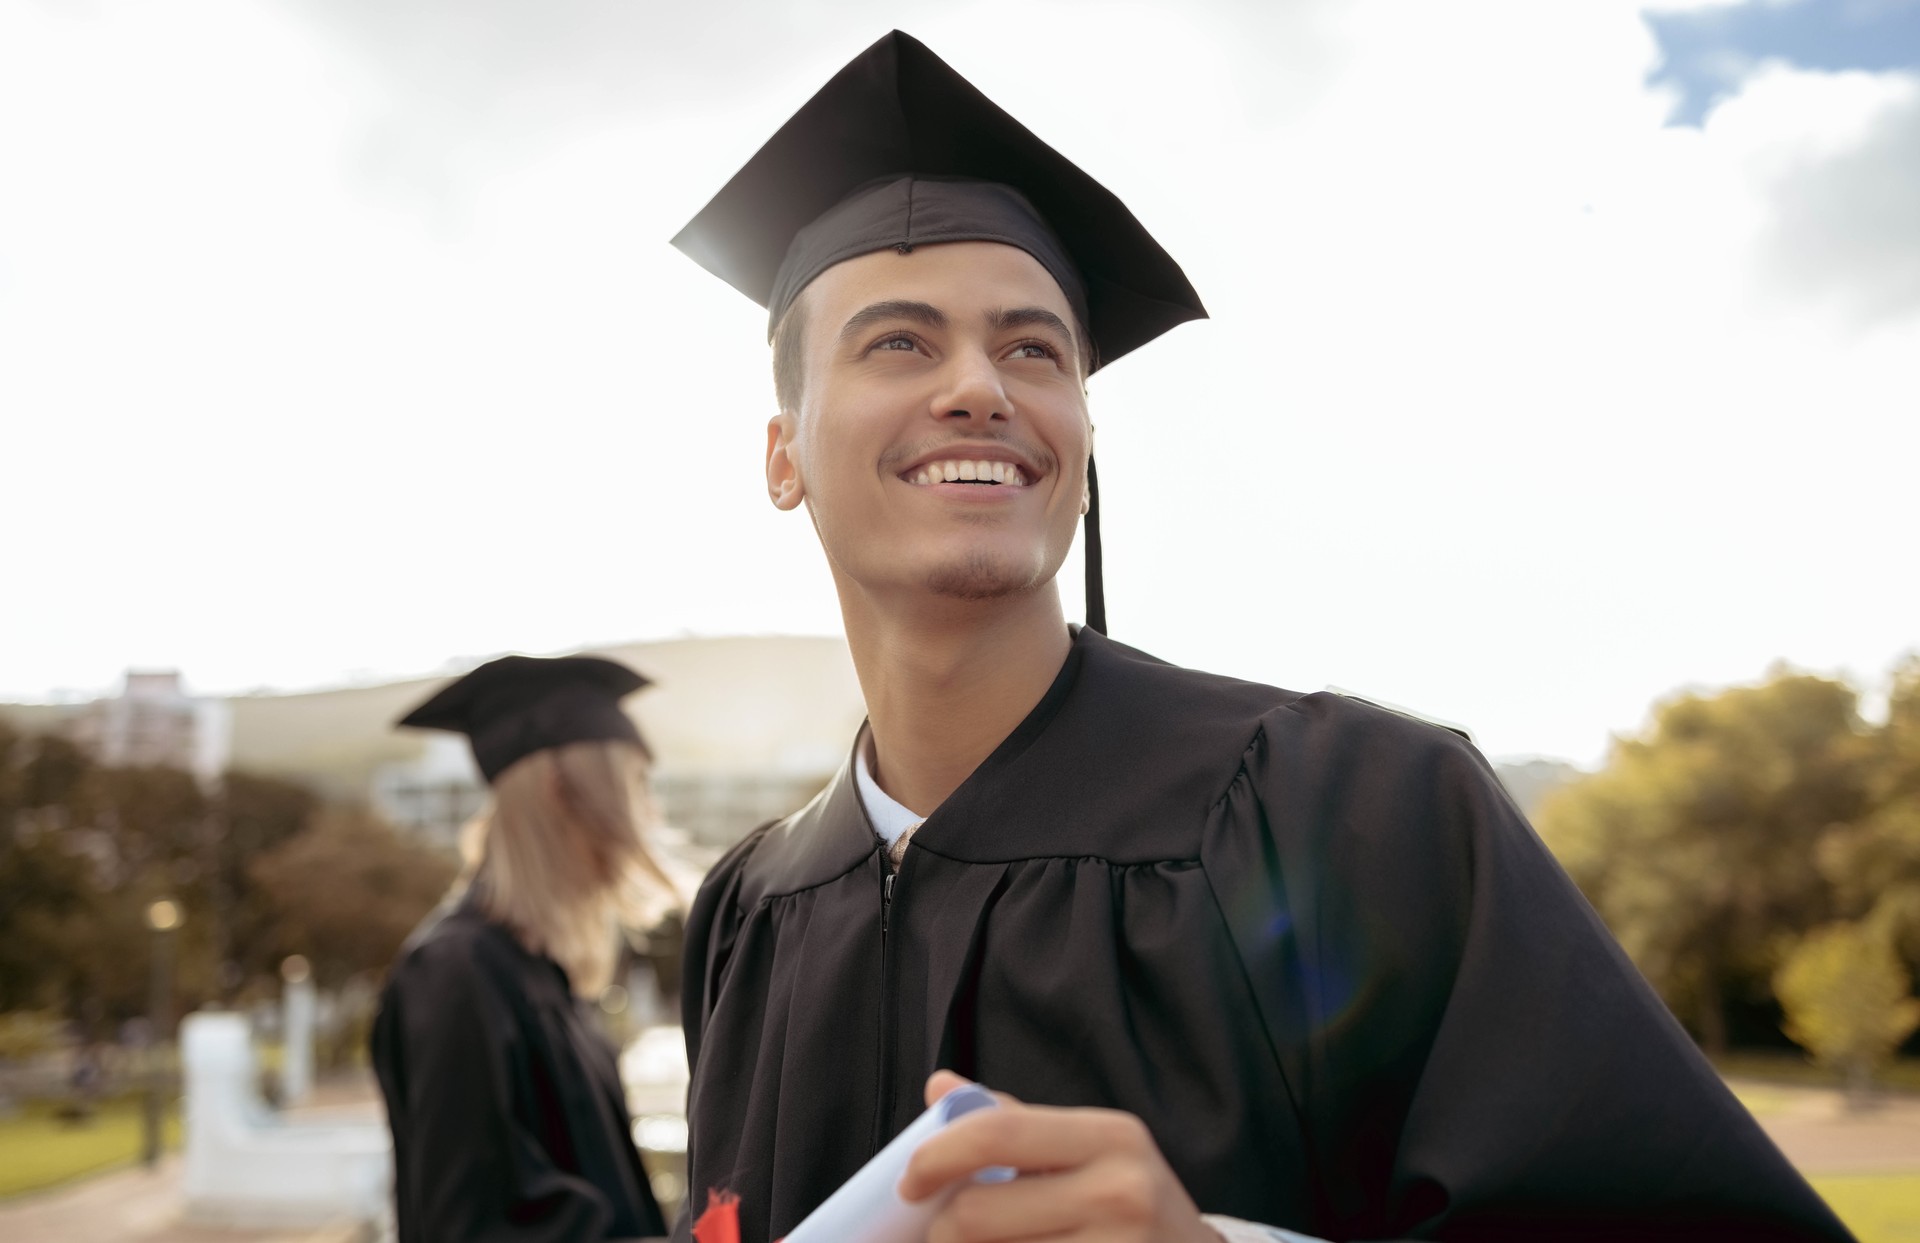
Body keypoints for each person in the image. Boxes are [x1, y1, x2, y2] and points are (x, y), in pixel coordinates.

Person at [666, 31, 1855, 1243]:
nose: (981, 385)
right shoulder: (747, 913)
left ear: (1076, 443)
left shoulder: (1354, 811)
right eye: (899, 341)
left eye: (1034, 348)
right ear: (783, 458)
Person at [371, 654, 676, 1243]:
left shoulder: (536, 968)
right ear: (562, 789)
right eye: (636, 786)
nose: (651, 815)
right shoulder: (457, 973)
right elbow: (474, 1227)